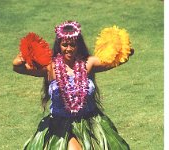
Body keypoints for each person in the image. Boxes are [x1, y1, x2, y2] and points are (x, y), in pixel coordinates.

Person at [13, 20, 132, 150]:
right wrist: (18, 61)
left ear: (78, 46)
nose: (69, 49)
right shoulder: (50, 67)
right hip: (59, 125)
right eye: (65, 45)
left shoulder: (88, 63)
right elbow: (19, 68)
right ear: (59, 46)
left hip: (90, 122)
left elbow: (115, 60)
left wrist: (124, 51)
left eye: (72, 45)